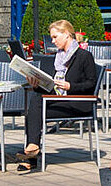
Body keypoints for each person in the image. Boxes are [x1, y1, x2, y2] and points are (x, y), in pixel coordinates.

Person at [16, 19, 98, 171]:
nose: (52, 41)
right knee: (35, 104)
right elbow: (52, 85)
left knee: (34, 111)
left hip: (77, 102)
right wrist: (37, 84)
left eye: (55, 37)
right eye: (52, 37)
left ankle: (31, 157)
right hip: (59, 98)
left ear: (66, 34)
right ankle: (32, 150)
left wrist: (70, 86)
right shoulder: (59, 57)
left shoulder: (84, 56)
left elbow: (91, 84)